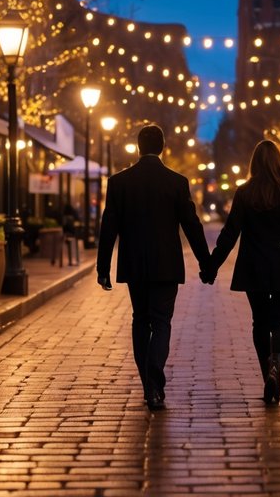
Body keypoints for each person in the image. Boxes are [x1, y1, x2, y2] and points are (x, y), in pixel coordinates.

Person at [97, 124, 211, 411]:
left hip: (134, 262)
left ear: (138, 147)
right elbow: (191, 225)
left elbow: (108, 227)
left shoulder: (119, 182)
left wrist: (103, 267)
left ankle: (148, 383)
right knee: (161, 322)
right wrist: (206, 262)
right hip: (165, 264)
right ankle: (154, 383)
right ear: (162, 148)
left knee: (140, 319)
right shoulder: (176, 182)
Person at [206, 140, 280, 406]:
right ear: (279, 162)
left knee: (259, 323)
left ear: (254, 164)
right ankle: (277, 366)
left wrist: (211, 265)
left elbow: (230, 233)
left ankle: (267, 374)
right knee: (278, 323)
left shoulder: (244, 193)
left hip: (253, 266)